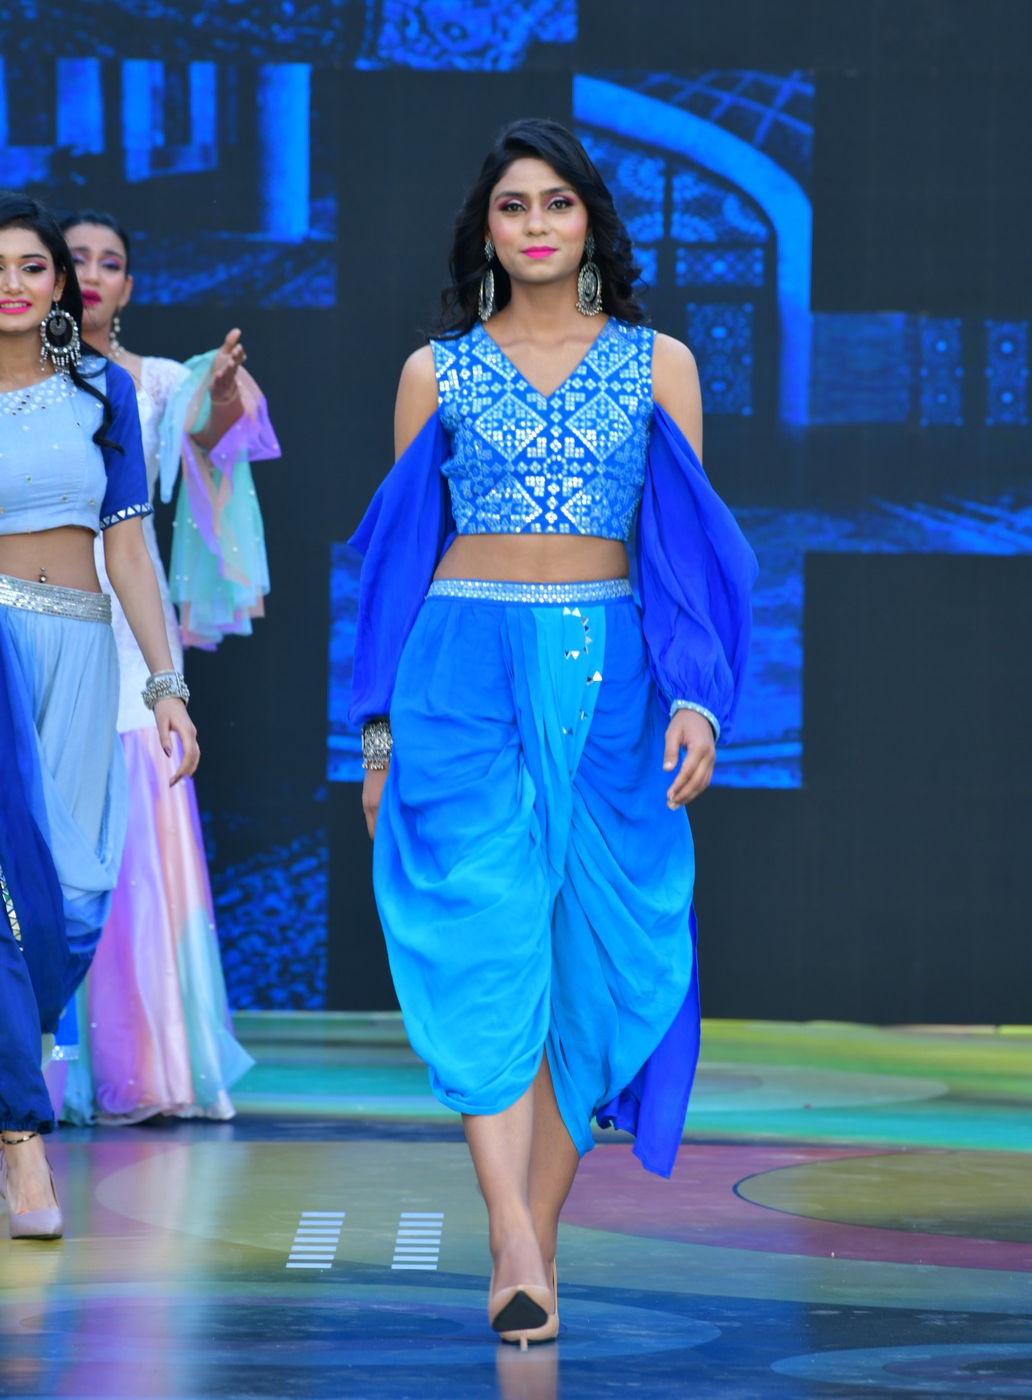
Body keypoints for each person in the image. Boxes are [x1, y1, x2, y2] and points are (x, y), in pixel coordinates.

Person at [349, 120, 756, 1344]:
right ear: (485, 229)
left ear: (590, 223)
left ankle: (538, 1234)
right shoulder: (433, 372)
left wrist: (698, 698)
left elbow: (682, 553)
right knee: (485, 937)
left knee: (589, 959)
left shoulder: (658, 364)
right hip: (459, 670)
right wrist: (377, 737)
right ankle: (512, 1241)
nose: (535, 224)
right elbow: (397, 565)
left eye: (557, 203)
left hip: (610, 678)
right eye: (513, 205)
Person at [0, 192, 199, 1239]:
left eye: (32, 267)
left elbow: (128, 546)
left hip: (83, 653)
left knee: (74, 898)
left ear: (61, 284)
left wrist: (166, 685)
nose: (13, 285)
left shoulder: (99, 389)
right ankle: (21, 1143)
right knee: (6, 894)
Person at [52, 208, 279, 1125]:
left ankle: (137, 1062)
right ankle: (36, 1068)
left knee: (135, 823)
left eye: (110, 261)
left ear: (131, 285)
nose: (92, 274)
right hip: (29, 613)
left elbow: (216, 442)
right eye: (74, 259)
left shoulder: (156, 384)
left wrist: (221, 394)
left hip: (124, 623)